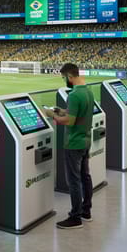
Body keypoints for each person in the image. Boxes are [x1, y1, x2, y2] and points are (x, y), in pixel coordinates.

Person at [44, 63, 94, 229]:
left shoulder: (74, 95)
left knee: (74, 181)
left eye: (64, 78)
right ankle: (86, 211)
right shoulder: (88, 91)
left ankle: (75, 217)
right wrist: (62, 111)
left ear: (69, 76)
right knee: (85, 176)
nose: (64, 81)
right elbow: (77, 113)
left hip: (74, 143)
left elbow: (69, 121)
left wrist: (52, 115)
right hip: (85, 140)